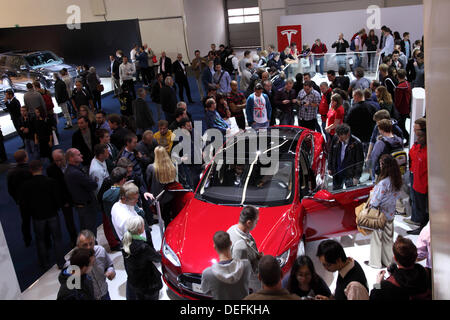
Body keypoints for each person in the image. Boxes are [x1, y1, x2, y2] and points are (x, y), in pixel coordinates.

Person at [19, 160, 65, 269]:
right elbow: (57, 198)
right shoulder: (50, 182)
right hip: (52, 214)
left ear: (30, 170)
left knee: (40, 240)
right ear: (41, 168)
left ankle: (45, 264)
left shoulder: (26, 186)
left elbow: (25, 204)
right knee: (57, 238)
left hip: (37, 217)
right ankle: (61, 262)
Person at [365, 154, 402, 269]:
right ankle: (387, 261)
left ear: (384, 166)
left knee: (376, 239)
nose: (380, 166)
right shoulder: (397, 180)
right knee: (388, 239)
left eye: (381, 164)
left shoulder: (383, 183)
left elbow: (375, 201)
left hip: (379, 214)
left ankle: (375, 263)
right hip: (390, 213)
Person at [370, 236, 432, 300]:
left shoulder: (387, 285)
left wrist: (377, 284)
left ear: (395, 259)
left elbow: (373, 297)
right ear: (416, 255)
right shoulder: (428, 274)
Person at [200, 231, 252, 300]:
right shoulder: (246, 265)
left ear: (215, 247)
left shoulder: (207, 273)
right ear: (230, 243)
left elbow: (205, 291)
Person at [122, 216, 162, 300]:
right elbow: (157, 258)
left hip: (135, 281)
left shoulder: (125, 241)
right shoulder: (143, 247)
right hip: (148, 284)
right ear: (140, 229)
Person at [227, 206, 263, 293]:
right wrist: (260, 290)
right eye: (256, 221)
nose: (257, 224)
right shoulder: (240, 247)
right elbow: (246, 275)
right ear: (249, 223)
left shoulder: (232, 229)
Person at [65, 148, 99, 238]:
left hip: (83, 206)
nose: (81, 155)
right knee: (90, 233)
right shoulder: (75, 173)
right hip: (86, 207)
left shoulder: (72, 170)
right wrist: (93, 181)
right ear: (71, 158)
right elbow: (93, 184)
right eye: (79, 154)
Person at [47, 149, 78, 248]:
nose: (58, 163)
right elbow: (55, 187)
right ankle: (74, 238)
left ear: (64, 156)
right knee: (69, 221)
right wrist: (63, 201)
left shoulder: (71, 163)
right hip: (64, 199)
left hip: (76, 195)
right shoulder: (50, 169)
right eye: (56, 161)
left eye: (60, 160)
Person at [73, 230, 116, 300]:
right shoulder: (73, 263)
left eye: (91, 243)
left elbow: (109, 265)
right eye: (85, 245)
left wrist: (111, 271)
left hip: (104, 294)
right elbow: (71, 287)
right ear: (78, 246)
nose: (89, 247)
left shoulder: (101, 251)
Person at [146, 146, 177, 228]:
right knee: (168, 216)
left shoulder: (151, 168)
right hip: (170, 195)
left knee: (162, 216)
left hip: (157, 197)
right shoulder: (172, 166)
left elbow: (147, 181)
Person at [7, 150, 33, 246]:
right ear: (25, 158)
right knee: (40, 220)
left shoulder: (11, 173)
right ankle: (46, 240)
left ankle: (27, 240)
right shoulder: (30, 169)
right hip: (34, 199)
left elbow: (10, 190)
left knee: (25, 221)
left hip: (22, 202)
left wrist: (17, 199)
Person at [405, 128, 428, 235]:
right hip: (417, 183)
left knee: (424, 210)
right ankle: (421, 228)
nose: (418, 138)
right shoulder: (417, 147)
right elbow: (412, 155)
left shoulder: (428, 152)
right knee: (420, 208)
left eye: (420, 136)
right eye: (417, 136)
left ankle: (423, 230)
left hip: (424, 186)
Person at [328, 124, 364, 190]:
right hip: (337, 171)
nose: (339, 138)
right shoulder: (335, 138)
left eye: (341, 136)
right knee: (336, 192)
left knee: (350, 193)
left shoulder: (357, 143)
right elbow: (331, 153)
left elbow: (359, 161)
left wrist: (356, 177)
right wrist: (330, 167)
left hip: (350, 173)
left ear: (348, 134)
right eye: (338, 136)